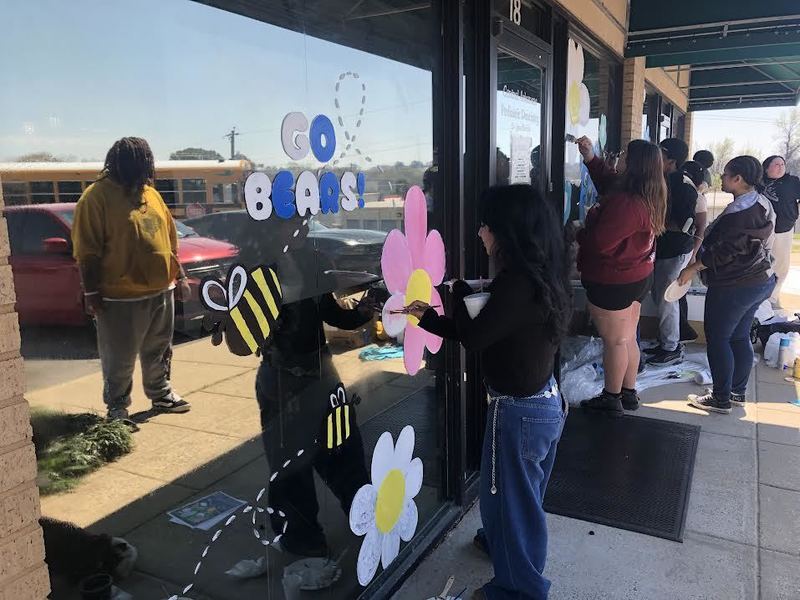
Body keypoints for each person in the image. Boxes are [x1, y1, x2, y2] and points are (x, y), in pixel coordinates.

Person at [406, 185, 571, 600]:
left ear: (506, 230)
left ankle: (518, 591)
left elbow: (475, 336)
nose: (480, 232)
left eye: (485, 225)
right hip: (541, 404)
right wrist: (427, 317)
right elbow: (485, 329)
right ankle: (502, 544)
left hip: (518, 413)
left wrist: (459, 294)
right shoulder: (539, 275)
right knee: (519, 500)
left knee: (510, 504)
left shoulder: (517, 284)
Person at [72, 137, 191, 421]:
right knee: (119, 358)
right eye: (142, 163)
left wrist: (180, 277)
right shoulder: (95, 197)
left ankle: (161, 394)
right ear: (124, 163)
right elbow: (87, 251)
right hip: (119, 298)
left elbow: (170, 241)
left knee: (159, 350)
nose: (148, 169)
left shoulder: (151, 194)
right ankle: (117, 407)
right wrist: (91, 293)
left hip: (161, 291)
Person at [575, 137, 667, 416]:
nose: (621, 158)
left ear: (634, 165)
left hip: (614, 280)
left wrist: (579, 231)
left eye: (626, 155)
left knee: (615, 341)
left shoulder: (628, 203)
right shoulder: (650, 192)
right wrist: (590, 157)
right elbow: (609, 181)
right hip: (638, 276)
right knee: (626, 338)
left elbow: (599, 243)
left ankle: (611, 398)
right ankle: (628, 393)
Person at [679, 156, 776, 414]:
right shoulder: (760, 202)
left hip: (736, 284)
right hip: (759, 280)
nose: (720, 177)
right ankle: (736, 392)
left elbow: (726, 251)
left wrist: (692, 268)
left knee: (718, 338)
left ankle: (721, 398)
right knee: (738, 336)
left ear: (738, 179)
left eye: (725, 174)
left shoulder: (743, 213)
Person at [643, 138, 698, 366]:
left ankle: (671, 348)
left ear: (671, 161)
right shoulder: (662, 179)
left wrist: (655, 224)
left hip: (676, 250)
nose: (657, 159)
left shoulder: (683, 185)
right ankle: (666, 341)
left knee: (667, 299)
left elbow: (686, 224)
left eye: (661, 155)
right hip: (662, 249)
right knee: (659, 297)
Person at [761, 155, 800, 307]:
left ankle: (772, 298)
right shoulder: (758, 182)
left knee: (780, 265)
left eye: (782, 164)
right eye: (776, 164)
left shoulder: (792, 182)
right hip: (761, 230)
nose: (780, 167)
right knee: (760, 263)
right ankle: (759, 296)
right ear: (766, 168)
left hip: (782, 230)